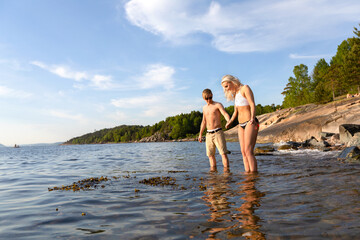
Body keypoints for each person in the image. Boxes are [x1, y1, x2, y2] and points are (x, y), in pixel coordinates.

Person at [221, 75, 259, 173]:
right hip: (240, 125)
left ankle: (253, 175)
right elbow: (235, 111)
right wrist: (230, 121)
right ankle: (247, 173)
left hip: (250, 122)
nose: (226, 89)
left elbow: (252, 104)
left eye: (226, 86)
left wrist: (252, 118)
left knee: (248, 151)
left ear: (231, 82)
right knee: (243, 152)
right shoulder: (236, 94)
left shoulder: (245, 88)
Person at [198, 89, 230, 171]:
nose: (209, 100)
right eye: (207, 98)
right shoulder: (204, 108)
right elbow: (203, 122)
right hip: (208, 134)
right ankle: (213, 176)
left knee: (223, 154)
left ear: (212, 95)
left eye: (210, 97)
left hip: (218, 132)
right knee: (210, 155)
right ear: (203, 98)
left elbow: (225, 113)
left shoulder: (217, 105)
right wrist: (200, 134)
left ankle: (226, 174)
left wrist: (228, 120)